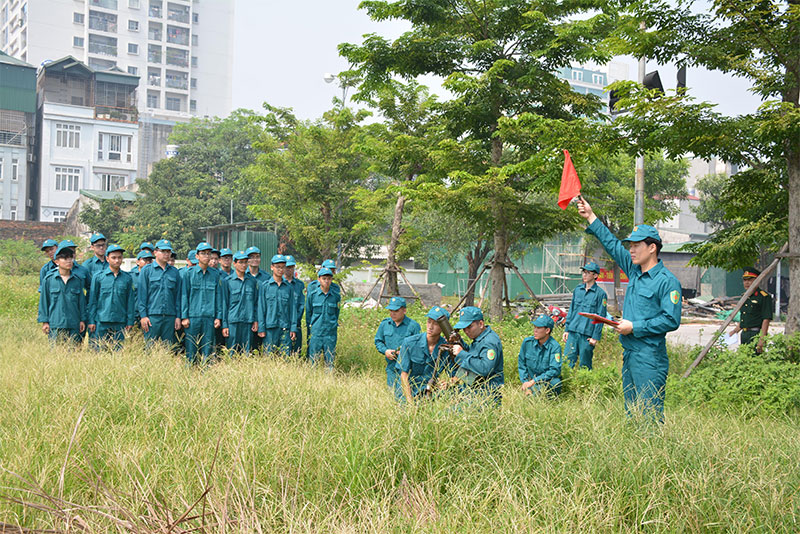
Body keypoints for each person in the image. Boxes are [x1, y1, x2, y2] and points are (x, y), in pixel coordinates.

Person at [577, 197, 681, 422]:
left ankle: (653, 454)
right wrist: (591, 217)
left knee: (649, 415)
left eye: (636, 246)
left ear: (652, 247)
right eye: (630, 246)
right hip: (630, 354)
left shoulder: (666, 281)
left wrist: (635, 326)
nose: (631, 250)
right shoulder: (634, 271)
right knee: (632, 413)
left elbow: (671, 320)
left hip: (649, 356)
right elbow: (612, 245)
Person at [181, 242, 225, 364]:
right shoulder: (188, 274)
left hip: (209, 317)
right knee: (191, 348)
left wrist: (218, 317)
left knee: (208, 348)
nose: (206, 256)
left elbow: (218, 296)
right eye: (203, 254)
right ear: (197, 256)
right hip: (193, 317)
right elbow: (184, 296)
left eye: (208, 254)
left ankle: (206, 373)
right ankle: (190, 373)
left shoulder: (215, 274)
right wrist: (184, 317)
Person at [449, 306, 504, 402]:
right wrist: (459, 342)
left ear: (481, 324)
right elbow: (474, 355)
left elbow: (485, 368)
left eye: (469, 327)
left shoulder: (489, 342)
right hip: (473, 390)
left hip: (486, 395)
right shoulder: (479, 337)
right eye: (464, 328)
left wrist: (461, 354)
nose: (466, 331)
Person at [396, 306, 449, 403]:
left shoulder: (446, 347)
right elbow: (404, 375)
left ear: (444, 327)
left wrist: (448, 383)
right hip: (409, 392)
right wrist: (410, 402)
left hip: (433, 395)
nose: (430, 326)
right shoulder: (410, 343)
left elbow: (457, 373)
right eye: (429, 321)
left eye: (436, 323)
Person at [87, 244, 135, 350]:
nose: (117, 260)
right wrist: (91, 320)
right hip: (101, 320)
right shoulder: (99, 277)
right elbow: (93, 300)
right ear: (107, 259)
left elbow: (130, 301)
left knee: (117, 351)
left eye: (119, 257)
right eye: (114, 257)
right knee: (99, 350)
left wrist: (130, 321)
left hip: (120, 321)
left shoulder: (127, 278)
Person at [37, 243, 86, 345]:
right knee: (56, 353)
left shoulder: (77, 280)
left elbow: (81, 302)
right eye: (64, 258)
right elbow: (44, 301)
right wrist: (45, 321)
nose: (68, 261)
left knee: (74, 352)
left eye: (70, 258)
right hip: (56, 323)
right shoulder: (49, 279)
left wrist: (82, 320)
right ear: (56, 261)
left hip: (74, 323)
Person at [137, 239, 182, 349]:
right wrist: (143, 316)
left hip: (169, 316)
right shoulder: (147, 271)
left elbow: (178, 296)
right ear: (155, 252)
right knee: (150, 348)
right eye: (163, 251)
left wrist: (178, 317)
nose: (166, 254)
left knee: (168, 348)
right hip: (152, 317)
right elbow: (142, 295)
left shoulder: (174, 272)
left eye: (168, 251)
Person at [562, 261, 607, 370]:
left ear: (595, 275)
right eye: (583, 272)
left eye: (588, 272)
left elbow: (600, 317)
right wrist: (567, 329)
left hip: (587, 335)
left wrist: (595, 337)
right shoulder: (578, 290)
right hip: (573, 332)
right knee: (567, 363)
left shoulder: (600, 294)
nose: (584, 275)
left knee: (585, 366)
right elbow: (572, 310)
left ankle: (586, 385)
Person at [374, 297, 421, 388]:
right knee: (392, 394)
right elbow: (378, 341)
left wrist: (405, 353)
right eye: (391, 311)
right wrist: (385, 351)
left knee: (407, 394)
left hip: (408, 369)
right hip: (391, 368)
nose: (393, 313)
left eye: (396, 311)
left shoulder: (413, 326)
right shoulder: (385, 324)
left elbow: (418, 347)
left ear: (404, 310)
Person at [257, 254, 297, 356]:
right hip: (269, 328)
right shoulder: (265, 286)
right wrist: (261, 328)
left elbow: (292, 309)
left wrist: (293, 328)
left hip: (285, 327)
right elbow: (261, 308)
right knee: (269, 356)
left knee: (285, 357)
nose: (280, 269)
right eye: (278, 267)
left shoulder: (288, 287)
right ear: (272, 267)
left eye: (283, 267)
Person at [221, 251, 258, 355]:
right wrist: (225, 325)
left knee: (246, 352)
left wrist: (255, 320)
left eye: (245, 262)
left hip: (248, 321)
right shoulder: (227, 281)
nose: (243, 265)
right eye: (241, 262)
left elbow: (255, 303)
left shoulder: (252, 281)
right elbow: (224, 305)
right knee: (231, 352)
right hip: (233, 322)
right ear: (234, 263)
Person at [729, 268, 773, 353]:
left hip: (755, 334)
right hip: (744, 334)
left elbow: (766, 319)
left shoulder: (763, 296)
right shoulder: (744, 297)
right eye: (745, 280)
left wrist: (762, 339)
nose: (747, 282)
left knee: (755, 360)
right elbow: (745, 317)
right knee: (744, 359)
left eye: (750, 280)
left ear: (757, 281)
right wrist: (735, 331)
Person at [519, 315, 563, 397]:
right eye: (534, 327)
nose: (535, 330)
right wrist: (525, 382)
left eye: (538, 328)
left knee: (556, 383)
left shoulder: (554, 347)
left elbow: (555, 370)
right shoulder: (527, 343)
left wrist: (534, 381)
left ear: (547, 330)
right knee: (531, 396)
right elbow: (522, 364)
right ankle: (530, 392)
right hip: (529, 381)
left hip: (545, 381)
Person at [305, 267, 341, 368]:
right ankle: (313, 381)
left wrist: (333, 325)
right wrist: (311, 329)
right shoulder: (312, 295)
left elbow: (336, 313)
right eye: (324, 278)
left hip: (330, 333)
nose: (326, 281)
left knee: (330, 361)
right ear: (319, 279)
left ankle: (328, 381)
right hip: (316, 332)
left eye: (329, 279)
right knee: (313, 361)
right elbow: (308, 313)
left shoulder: (336, 296)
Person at [245, 246, 270, 352]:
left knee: (260, 347)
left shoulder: (266, 277)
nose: (255, 259)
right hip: (245, 316)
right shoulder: (242, 275)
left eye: (257, 257)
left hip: (262, 317)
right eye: (252, 257)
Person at [284, 255, 305, 355]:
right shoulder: (278, 283)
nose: (289, 270)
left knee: (296, 352)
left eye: (291, 267)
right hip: (281, 324)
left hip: (296, 324)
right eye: (287, 267)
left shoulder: (299, 285)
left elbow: (301, 305)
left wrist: (294, 321)